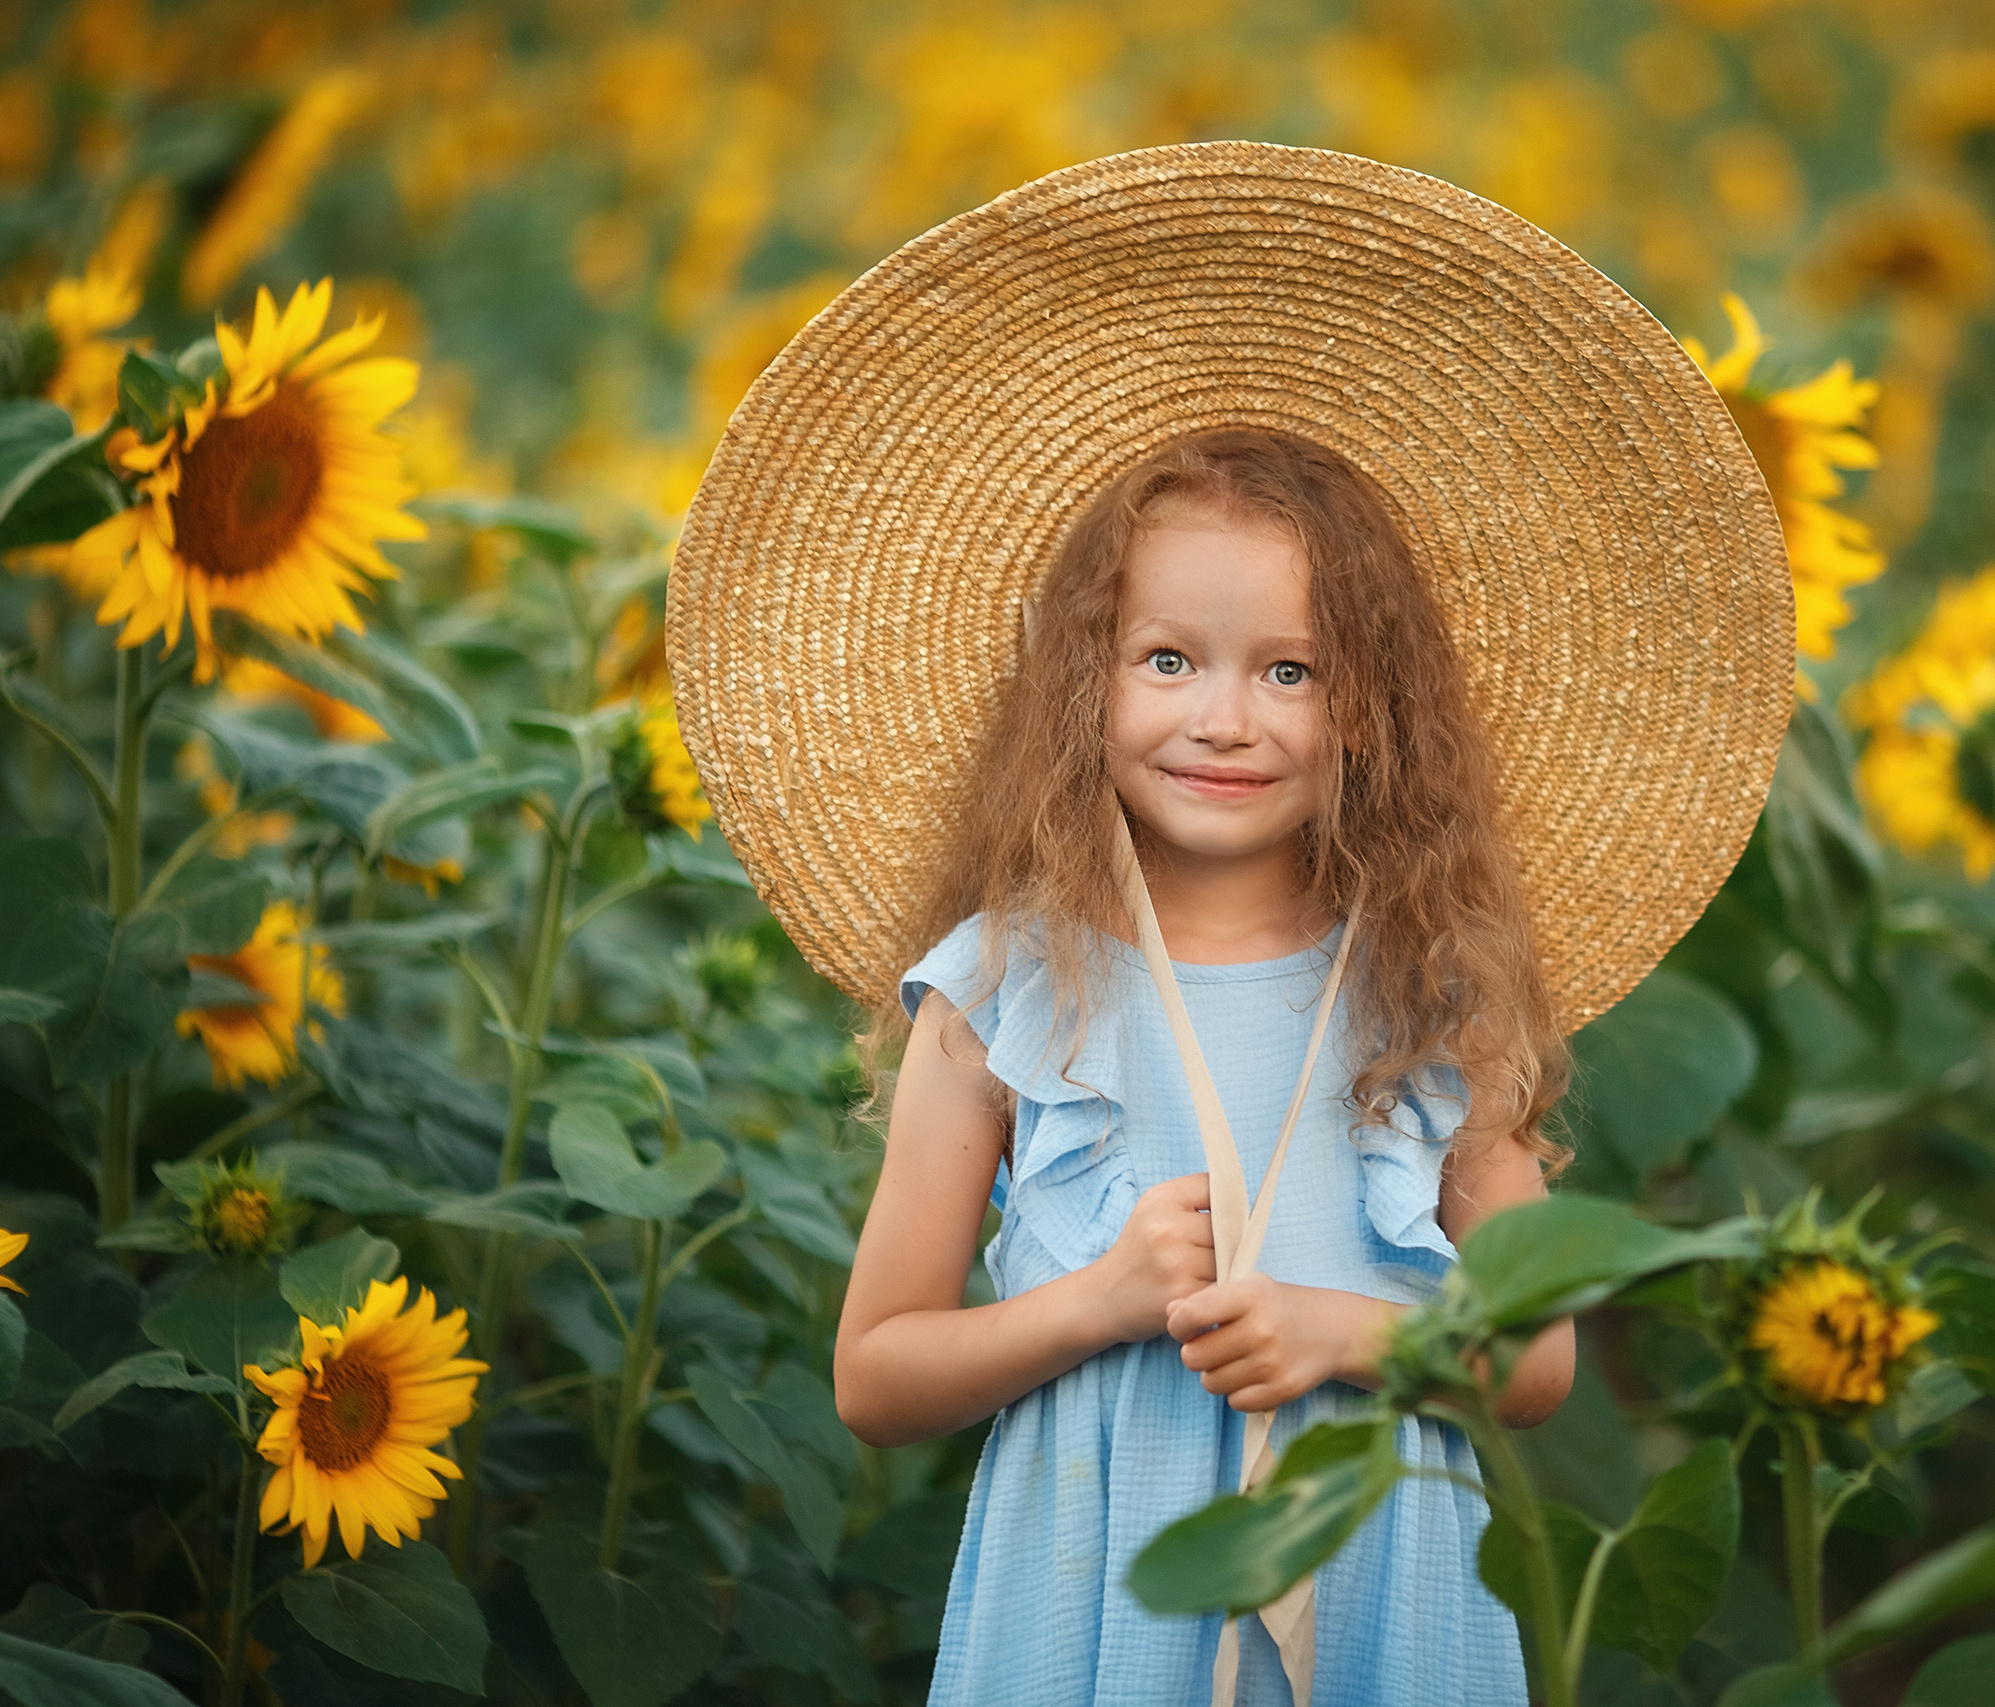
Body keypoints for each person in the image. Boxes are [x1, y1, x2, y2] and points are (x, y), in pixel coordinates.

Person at [664, 142, 1793, 1707]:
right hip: (1095, 1604)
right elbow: (876, 1375)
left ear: (1369, 713)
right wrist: (1094, 1306)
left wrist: (1354, 1332)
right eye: (1168, 660)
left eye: (1291, 671)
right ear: (1085, 684)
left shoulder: (1430, 988)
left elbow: (1534, 1366)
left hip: (1383, 1578)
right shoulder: (1001, 989)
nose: (1226, 718)